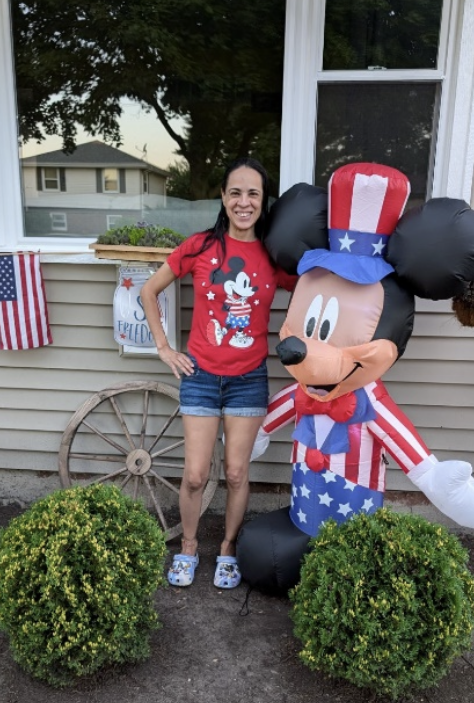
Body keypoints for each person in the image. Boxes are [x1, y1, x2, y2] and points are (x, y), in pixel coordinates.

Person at [140, 157, 296, 589]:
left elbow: (312, 290)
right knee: (194, 474)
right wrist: (164, 347)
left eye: (253, 194)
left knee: (236, 473)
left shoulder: (274, 256)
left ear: (263, 203)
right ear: (223, 198)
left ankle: (227, 549)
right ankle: (189, 546)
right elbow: (149, 290)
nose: (243, 202)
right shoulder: (199, 247)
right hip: (202, 376)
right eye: (235, 192)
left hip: (248, 378)